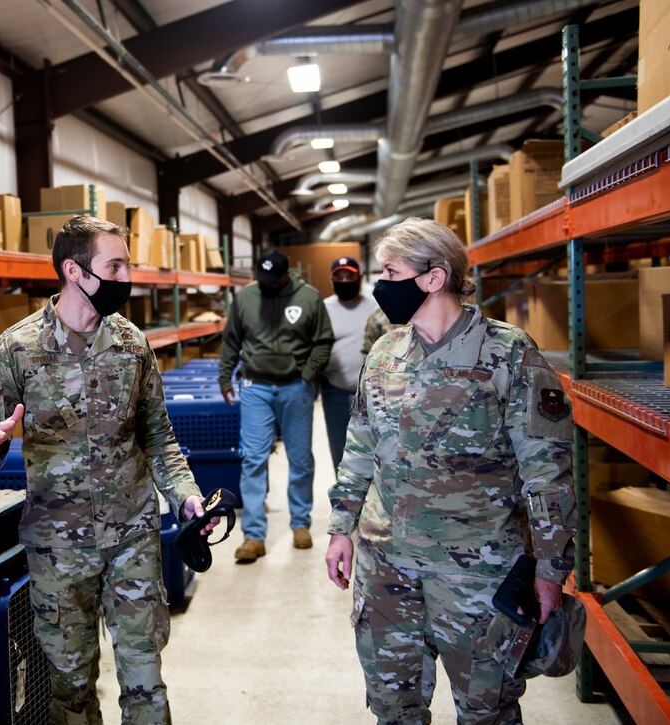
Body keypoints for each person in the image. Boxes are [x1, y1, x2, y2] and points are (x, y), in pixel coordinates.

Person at [324, 217, 577, 724]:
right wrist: (340, 527)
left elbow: (546, 470)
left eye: (391, 272)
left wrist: (552, 569)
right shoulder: (384, 353)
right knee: (394, 708)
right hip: (386, 566)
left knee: (488, 710)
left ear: (433, 278)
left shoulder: (508, 354)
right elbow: (360, 446)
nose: (381, 286)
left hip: (478, 572)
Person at [0, 215, 213, 724]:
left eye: (127, 264)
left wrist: (185, 495)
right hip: (58, 546)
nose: (126, 277)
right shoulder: (18, 348)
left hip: (133, 539)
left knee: (145, 679)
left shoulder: (132, 344)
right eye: (114, 265)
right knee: (70, 687)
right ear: (74, 271)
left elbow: (159, 437)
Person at [218, 250, 334, 562]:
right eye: (261, 279)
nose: (266, 284)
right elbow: (231, 340)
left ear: (286, 275)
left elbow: (323, 341)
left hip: (295, 387)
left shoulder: (309, 298)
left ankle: (300, 524)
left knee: (300, 458)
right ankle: (254, 535)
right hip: (255, 387)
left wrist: (308, 375)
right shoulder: (245, 298)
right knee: (253, 459)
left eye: (273, 280)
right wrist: (224, 377)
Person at [321, 256, 376, 475]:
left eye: (350, 275)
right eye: (339, 276)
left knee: (373, 451)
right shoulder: (323, 308)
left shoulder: (376, 306)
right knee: (341, 451)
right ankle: (346, 503)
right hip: (334, 391)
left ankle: (371, 504)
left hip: (371, 394)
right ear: (331, 279)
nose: (344, 280)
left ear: (360, 277)